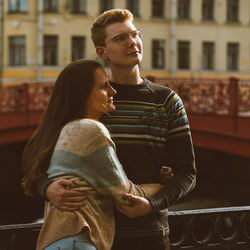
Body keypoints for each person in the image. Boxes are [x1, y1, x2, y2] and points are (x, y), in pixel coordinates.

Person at [34, 9, 196, 250]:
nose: (132, 42)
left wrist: (152, 203)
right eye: (121, 38)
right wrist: (47, 188)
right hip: (96, 234)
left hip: (150, 233)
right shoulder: (93, 101)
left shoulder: (167, 101)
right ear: (102, 51)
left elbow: (187, 173)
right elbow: (37, 159)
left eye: (135, 34)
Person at [21, 59, 172, 250]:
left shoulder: (67, 129)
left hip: (59, 239)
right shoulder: (91, 130)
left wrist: (45, 186)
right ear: (82, 96)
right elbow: (127, 196)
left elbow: (32, 163)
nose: (113, 91)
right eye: (103, 86)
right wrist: (161, 184)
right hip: (79, 239)